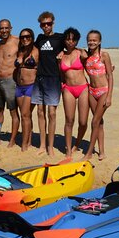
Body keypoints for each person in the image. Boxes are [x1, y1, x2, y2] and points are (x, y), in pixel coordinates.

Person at [32, 11, 65, 155]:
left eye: (49, 23)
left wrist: (64, 52)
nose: (46, 26)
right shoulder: (39, 38)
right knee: (40, 112)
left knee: (52, 113)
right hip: (39, 78)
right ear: (40, 25)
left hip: (53, 79)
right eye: (43, 24)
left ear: (53, 23)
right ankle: (42, 145)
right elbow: (27, 48)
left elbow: (72, 48)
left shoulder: (60, 37)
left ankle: (50, 147)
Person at [81, 29, 114, 161]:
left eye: (94, 40)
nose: (92, 42)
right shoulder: (85, 57)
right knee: (99, 122)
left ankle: (89, 152)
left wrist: (109, 96)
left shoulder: (104, 55)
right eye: (89, 40)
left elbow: (110, 75)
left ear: (99, 41)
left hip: (103, 91)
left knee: (94, 121)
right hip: (91, 91)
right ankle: (102, 151)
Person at [58, 27, 89, 158]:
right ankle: (69, 149)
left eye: (73, 39)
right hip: (68, 89)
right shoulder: (61, 55)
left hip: (83, 88)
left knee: (83, 122)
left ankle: (77, 143)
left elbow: (92, 67)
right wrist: (62, 85)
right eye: (68, 39)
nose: (70, 42)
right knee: (69, 120)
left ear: (76, 41)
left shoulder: (81, 53)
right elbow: (61, 74)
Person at [0, 19, 20, 148]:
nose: (4, 31)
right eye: (1, 28)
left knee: (13, 111)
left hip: (11, 81)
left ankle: (13, 139)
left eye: (6, 28)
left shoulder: (17, 41)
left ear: (11, 28)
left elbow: (31, 46)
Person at [13, 28, 39, 151]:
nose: (25, 39)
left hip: (31, 86)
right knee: (26, 115)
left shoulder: (36, 51)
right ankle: (28, 140)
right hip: (19, 87)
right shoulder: (20, 51)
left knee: (24, 114)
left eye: (28, 36)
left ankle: (24, 145)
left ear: (32, 37)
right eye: (22, 37)